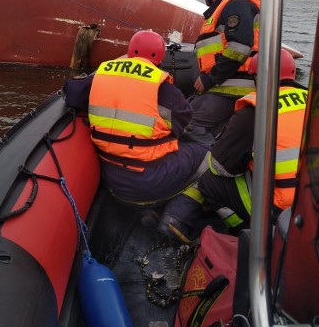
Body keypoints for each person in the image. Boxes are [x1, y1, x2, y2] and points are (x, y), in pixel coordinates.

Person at [158, 49, 319, 243]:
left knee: (210, 182)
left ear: (258, 76)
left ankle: (243, 229)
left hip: (285, 211)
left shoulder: (255, 110)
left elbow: (220, 166)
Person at [63, 30, 210, 207]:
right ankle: (179, 212)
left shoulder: (102, 74)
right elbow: (184, 123)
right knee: (206, 153)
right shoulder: (162, 88)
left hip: (111, 178)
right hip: (149, 181)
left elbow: (71, 91)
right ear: (160, 57)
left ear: (130, 51)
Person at [190, 0, 261, 139]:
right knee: (183, 112)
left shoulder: (236, 6)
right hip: (221, 86)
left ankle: (206, 159)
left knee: (187, 123)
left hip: (235, 90)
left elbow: (240, 47)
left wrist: (210, 78)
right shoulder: (229, 7)